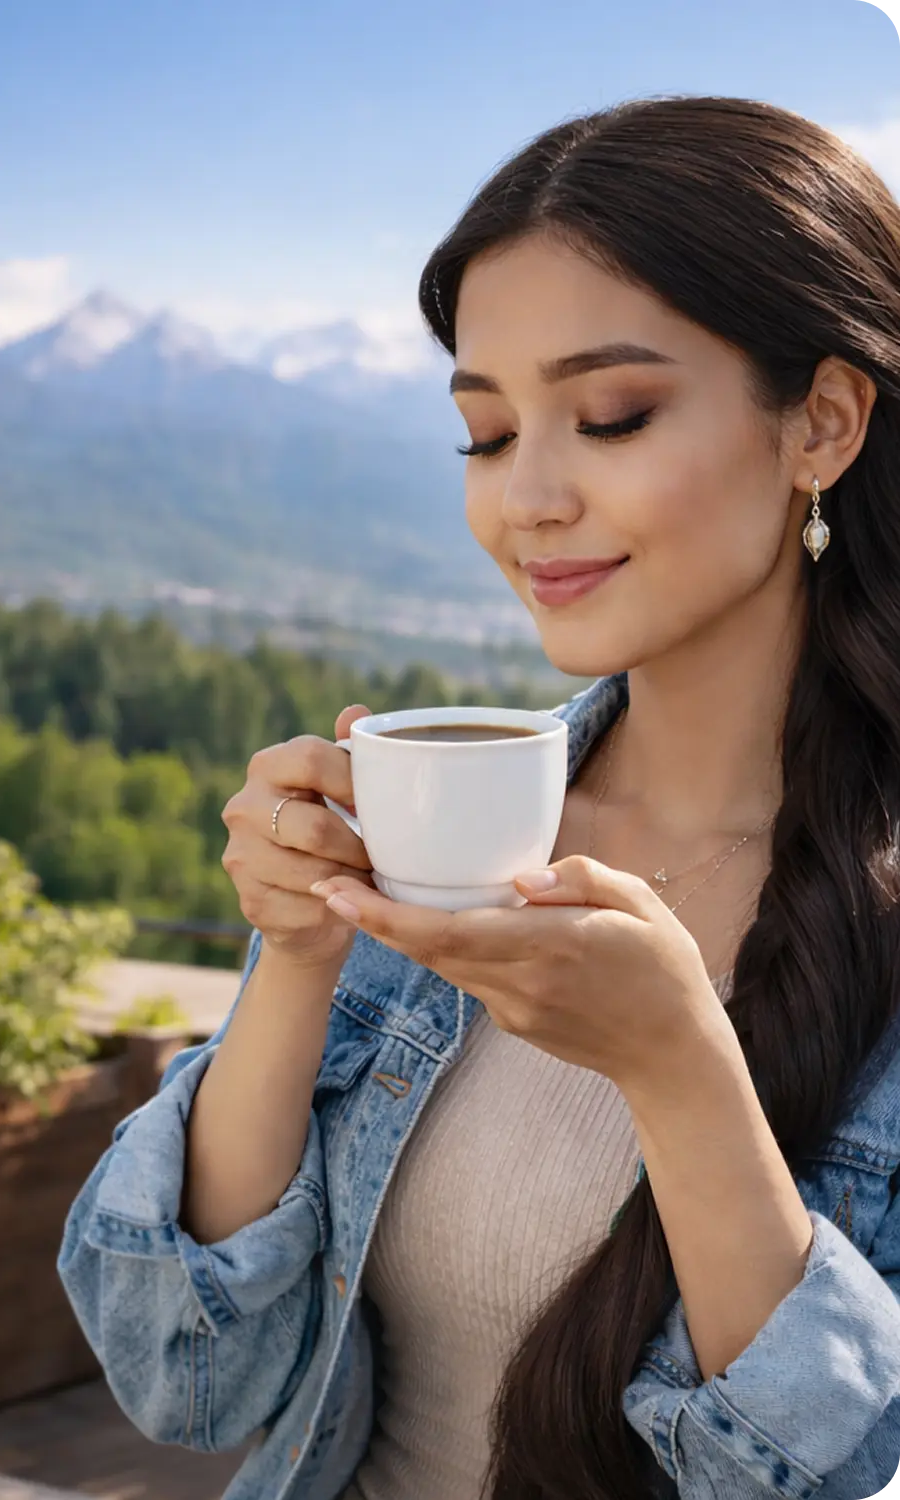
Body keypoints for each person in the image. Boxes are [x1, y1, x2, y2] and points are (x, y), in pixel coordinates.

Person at [57, 95, 900, 1500]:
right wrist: (301, 957)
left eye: (612, 417)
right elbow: (188, 1378)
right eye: (488, 434)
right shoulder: (437, 836)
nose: (528, 500)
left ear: (821, 423)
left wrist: (682, 1076)